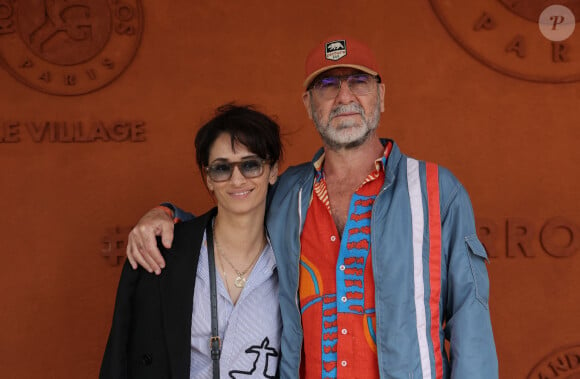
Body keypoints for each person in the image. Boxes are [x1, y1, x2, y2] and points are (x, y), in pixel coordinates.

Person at [126, 36, 499, 378]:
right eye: (327, 85)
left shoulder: (436, 191)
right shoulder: (290, 193)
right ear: (308, 104)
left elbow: (471, 318)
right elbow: (231, 215)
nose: (344, 97)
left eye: (359, 82)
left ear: (381, 95)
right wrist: (165, 214)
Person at [100, 104, 283, 378]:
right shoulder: (160, 255)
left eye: (250, 165)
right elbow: (121, 360)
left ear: (273, 171)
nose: (237, 179)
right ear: (208, 178)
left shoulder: (295, 255)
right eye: (222, 168)